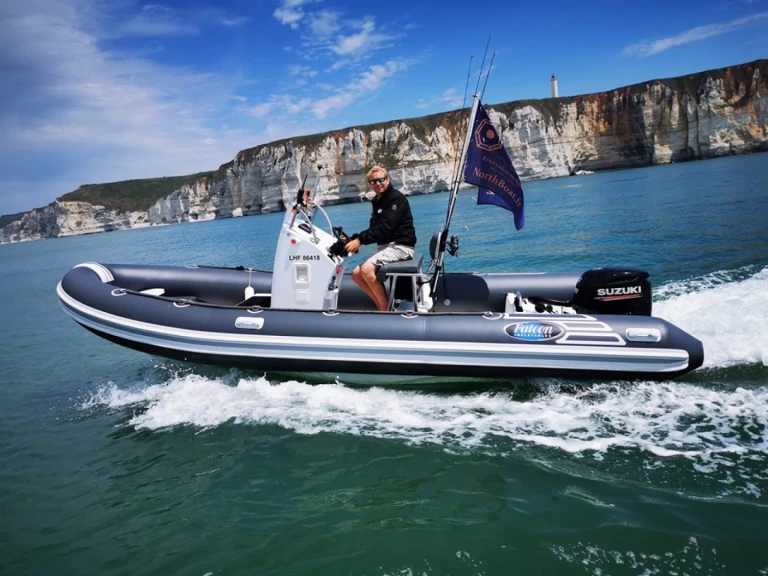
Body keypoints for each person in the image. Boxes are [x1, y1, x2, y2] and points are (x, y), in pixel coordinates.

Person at [345, 166, 417, 311]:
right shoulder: (379, 201)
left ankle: (384, 308)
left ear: (387, 179)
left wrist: (360, 241)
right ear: (369, 184)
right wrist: (353, 239)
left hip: (401, 246)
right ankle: (380, 304)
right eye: (374, 181)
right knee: (356, 274)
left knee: (366, 270)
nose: (378, 183)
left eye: (381, 180)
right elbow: (374, 229)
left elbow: (385, 228)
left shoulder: (396, 199)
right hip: (387, 247)